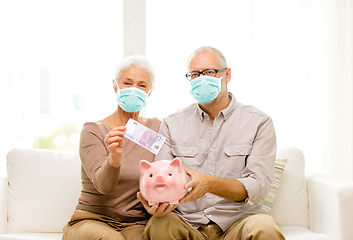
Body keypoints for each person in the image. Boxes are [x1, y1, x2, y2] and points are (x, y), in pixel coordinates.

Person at [138, 46, 285, 240]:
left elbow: (257, 186)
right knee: (159, 224)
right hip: (187, 223)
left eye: (209, 72)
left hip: (237, 223)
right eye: (195, 74)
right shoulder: (172, 123)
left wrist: (210, 184)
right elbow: (161, 177)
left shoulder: (259, 122)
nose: (201, 79)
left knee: (266, 227)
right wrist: (157, 203)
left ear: (227, 75)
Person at [62, 56, 161, 240]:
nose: (134, 90)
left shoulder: (155, 129)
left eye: (142, 85)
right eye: (127, 83)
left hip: (135, 223)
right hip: (92, 220)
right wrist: (114, 158)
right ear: (115, 86)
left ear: (150, 92)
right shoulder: (93, 130)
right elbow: (104, 186)